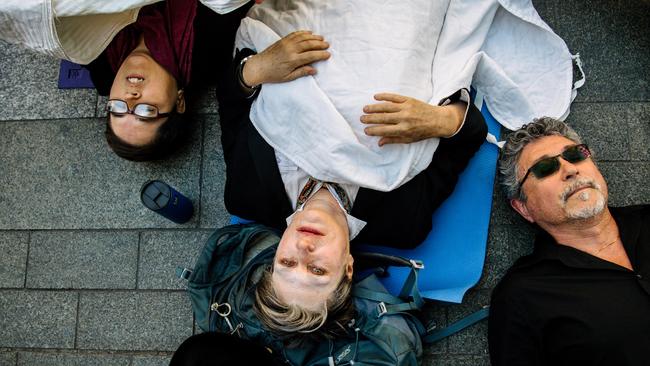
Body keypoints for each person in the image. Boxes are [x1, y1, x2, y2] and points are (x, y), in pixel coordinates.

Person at [216, 31, 487, 340]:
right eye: (317, 270)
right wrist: (437, 119)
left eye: (287, 261)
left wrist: (255, 69)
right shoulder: (404, 222)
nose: (304, 249)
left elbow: (230, 98)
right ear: (347, 267)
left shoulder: (245, 195)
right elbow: (471, 134)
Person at [488, 117, 649, 365]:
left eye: (575, 154)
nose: (570, 169)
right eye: (544, 168)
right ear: (524, 208)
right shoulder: (522, 295)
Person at [85, 0, 253, 161]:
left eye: (117, 109)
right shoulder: (212, 52)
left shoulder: (99, 61)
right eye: (145, 112)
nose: (130, 97)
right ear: (179, 102)